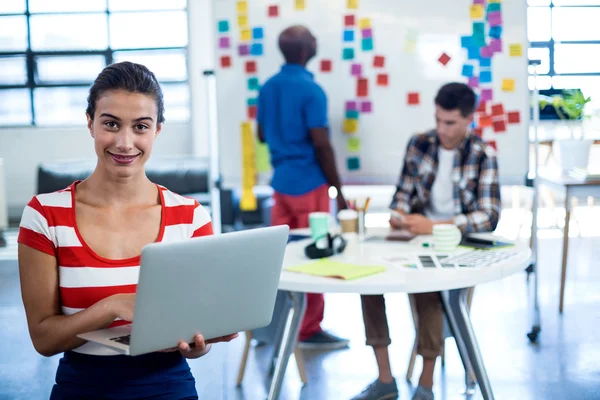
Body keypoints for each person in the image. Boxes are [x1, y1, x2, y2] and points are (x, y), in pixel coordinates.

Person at [18, 62, 238, 400]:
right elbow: (44, 339)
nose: (124, 142)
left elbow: (197, 333)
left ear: (157, 131)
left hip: (168, 385)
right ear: (90, 122)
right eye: (111, 124)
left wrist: (197, 345)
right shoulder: (45, 215)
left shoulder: (190, 216)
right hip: (83, 387)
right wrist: (113, 306)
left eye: (140, 127)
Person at [352, 82, 501, 400]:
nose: (441, 129)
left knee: (427, 289)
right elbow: (402, 194)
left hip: (449, 244)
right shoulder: (419, 143)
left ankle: (426, 384)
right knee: (367, 280)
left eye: (450, 123)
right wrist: (399, 214)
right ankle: (385, 379)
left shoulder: (482, 154)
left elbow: (489, 216)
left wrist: (433, 226)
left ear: (468, 119)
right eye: (438, 120)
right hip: (412, 237)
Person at [257, 25, 349, 350]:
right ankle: (309, 330)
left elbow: (261, 136)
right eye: (313, 39)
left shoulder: (267, 88)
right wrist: (341, 191)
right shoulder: (313, 91)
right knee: (315, 257)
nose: (317, 41)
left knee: (281, 260)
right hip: (310, 186)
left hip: (280, 185)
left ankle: (277, 327)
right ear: (304, 51)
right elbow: (322, 145)